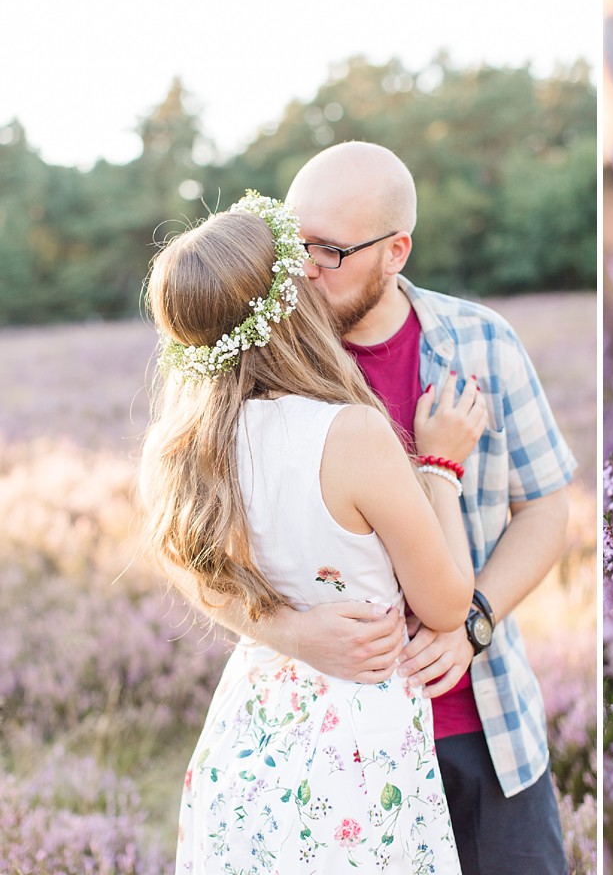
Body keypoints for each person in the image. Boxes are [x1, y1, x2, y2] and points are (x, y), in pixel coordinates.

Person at [176, 143, 578, 875]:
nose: (303, 269)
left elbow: (547, 508)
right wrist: (293, 632)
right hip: (335, 751)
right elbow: (194, 561)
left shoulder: (482, 344)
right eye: (294, 244)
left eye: (329, 250)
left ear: (396, 251)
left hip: (483, 724)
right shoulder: (262, 368)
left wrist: (474, 622)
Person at [139, 191, 485, 873]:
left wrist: (289, 632)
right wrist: (442, 465)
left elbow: (192, 574)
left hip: (245, 744)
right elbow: (446, 604)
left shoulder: (176, 448)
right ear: (292, 304)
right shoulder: (348, 434)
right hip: (352, 758)